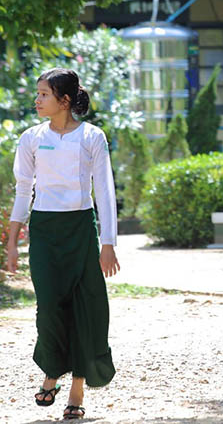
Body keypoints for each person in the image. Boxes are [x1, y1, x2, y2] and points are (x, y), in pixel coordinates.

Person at [5, 68, 120, 420]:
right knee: (50, 308)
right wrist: (12, 241)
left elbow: (104, 191)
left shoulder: (91, 137)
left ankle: (76, 387)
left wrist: (108, 243)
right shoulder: (31, 138)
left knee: (87, 307)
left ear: (64, 100)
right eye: (38, 93)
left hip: (81, 229)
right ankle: (52, 371)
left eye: (44, 94)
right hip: (44, 230)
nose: (37, 100)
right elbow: (23, 190)